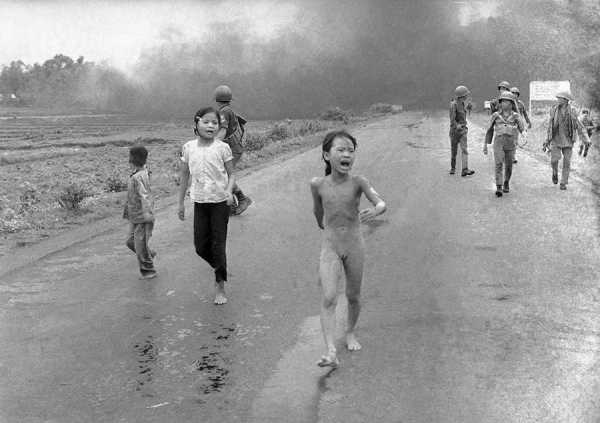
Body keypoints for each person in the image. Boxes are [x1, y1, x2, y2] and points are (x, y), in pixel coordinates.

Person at [310, 130, 386, 368]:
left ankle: (350, 331)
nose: (346, 155)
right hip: (330, 245)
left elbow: (379, 201)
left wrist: (377, 209)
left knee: (353, 295)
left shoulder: (358, 182)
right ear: (326, 155)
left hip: (354, 245)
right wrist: (322, 225)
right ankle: (330, 350)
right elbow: (317, 210)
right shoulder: (317, 184)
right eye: (340, 150)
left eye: (351, 151)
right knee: (329, 296)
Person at [178, 107, 236, 304]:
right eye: (206, 122)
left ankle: (220, 286)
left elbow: (232, 174)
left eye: (215, 123)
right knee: (200, 247)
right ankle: (221, 268)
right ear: (197, 123)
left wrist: (229, 190)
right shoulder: (188, 148)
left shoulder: (222, 148)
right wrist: (180, 203)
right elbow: (184, 175)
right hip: (200, 202)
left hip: (220, 202)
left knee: (218, 244)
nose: (211, 126)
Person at [214, 85, 252, 216]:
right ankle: (231, 205)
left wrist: (211, 146)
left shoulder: (224, 112)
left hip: (233, 149)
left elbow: (223, 131)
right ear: (230, 99)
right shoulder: (228, 110)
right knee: (222, 175)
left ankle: (242, 199)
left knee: (223, 175)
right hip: (234, 148)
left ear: (216, 99)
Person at [543, 91, 590, 190]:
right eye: (558, 98)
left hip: (568, 140)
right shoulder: (554, 110)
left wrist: (586, 139)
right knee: (554, 160)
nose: (558, 100)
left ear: (565, 100)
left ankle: (563, 182)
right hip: (556, 139)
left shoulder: (572, 111)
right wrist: (547, 140)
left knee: (567, 162)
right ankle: (555, 172)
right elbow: (550, 126)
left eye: (560, 98)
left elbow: (579, 126)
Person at [124, 145, 157, 279]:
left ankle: (149, 271)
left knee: (139, 244)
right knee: (130, 241)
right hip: (134, 215)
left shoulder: (139, 177)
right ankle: (149, 254)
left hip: (142, 216)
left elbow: (145, 196)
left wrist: (147, 214)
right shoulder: (139, 173)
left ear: (133, 159)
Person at [483, 91, 524, 197]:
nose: (504, 103)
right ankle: (499, 186)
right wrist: (485, 145)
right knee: (498, 163)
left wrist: (524, 135)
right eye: (502, 101)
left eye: (506, 101)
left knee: (509, 166)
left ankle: (506, 182)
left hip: (510, 143)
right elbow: (489, 130)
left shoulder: (516, 116)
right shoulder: (495, 115)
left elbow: (522, 128)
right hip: (498, 142)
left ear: (511, 103)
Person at [449, 85, 475, 176]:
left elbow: (465, 113)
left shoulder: (463, 104)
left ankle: (465, 169)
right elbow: (452, 120)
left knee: (464, 149)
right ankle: (453, 168)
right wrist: (457, 126)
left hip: (463, 130)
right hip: (454, 131)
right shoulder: (453, 105)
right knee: (454, 151)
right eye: (466, 94)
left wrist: (469, 107)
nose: (467, 96)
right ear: (461, 95)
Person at [510, 86, 532, 164]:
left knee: (515, 141)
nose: (514, 95)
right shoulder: (508, 104)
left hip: (517, 125)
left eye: (516, 94)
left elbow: (525, 114)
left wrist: (528, 122)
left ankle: (513, 156)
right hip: (509, 124)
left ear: (518, 95)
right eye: (512, 93)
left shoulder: (521, 104)